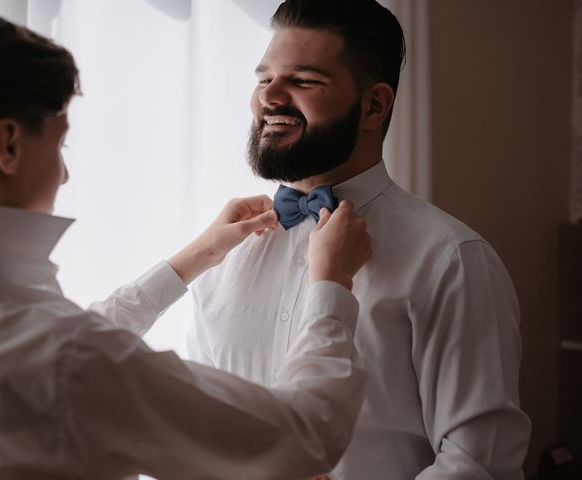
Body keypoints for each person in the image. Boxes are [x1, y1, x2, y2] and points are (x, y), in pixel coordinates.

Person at [0, 7, 373, 480]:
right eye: (60, 145)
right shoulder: (63, 356)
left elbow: (69, 352)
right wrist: (331, 287)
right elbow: (303, 434)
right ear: (8, 146)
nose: (64, 174)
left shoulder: (13, 334)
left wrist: (190, 260)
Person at [189, 0, 533, 478]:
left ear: (373, 105)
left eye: (303, 81)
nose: (270, 97)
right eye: (265, 78)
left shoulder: (451, 259)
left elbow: (479, 463)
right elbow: (198, 425)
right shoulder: (226, 252)